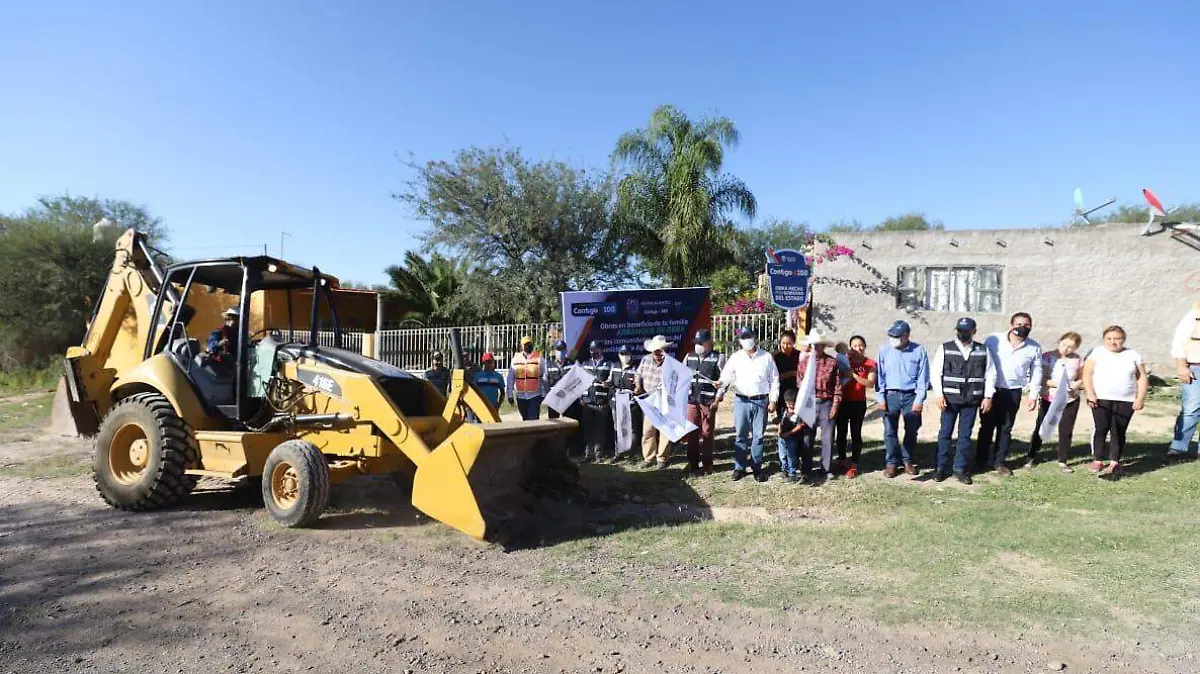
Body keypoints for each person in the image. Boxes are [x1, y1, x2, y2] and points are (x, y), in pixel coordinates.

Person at [930, 318, 995, 485]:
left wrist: (988, 396)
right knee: (945, 434)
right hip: (949, 399)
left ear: (974, 331)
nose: (963, 334)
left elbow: (990, 374)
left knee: (965, 436)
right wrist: (939, 395)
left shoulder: (983, 350)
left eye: (966, 331)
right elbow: (936, 373)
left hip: (972, 399)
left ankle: (960, 469)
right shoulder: (945, 348)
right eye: (960, 330)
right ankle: (940, 468)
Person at [977, 312, 1043, 476]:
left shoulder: (1034, 347)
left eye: (1026, 325)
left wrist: (1033, 395)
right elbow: (981, 362)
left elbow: (1037, 371)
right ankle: (980, 461)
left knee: (1006, 427)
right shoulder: (994, 340)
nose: (1023, 327)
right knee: (986, 426)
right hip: (991, 390)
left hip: (1013, 391)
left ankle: (999, 462)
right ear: (1011, 325)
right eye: (1019, 324)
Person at [1083, 326, 1148, 479]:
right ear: (1104, 340)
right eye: (1109, 339)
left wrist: (1140, 398)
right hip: (1101, 398)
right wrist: (1090, 393)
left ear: (1123, 340)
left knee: (1118, 431)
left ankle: (1115, 462)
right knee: (1101, 429)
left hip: (1126, 400)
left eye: (1117, 339)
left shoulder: (1133, 355)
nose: (1113, 342)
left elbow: (1142, 377)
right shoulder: (1097, 352)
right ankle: (1098, 459)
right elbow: (1087, 374)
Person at [717, 327, 780, 482]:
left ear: (755, 338)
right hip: (742, 401)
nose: (747, 340)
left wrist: (773, 400)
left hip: (761, 401)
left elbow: (774, 380)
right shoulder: (735, 357)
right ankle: (739, 468)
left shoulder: (766, 357)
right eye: (743, 337)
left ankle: (757, 467)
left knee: (758, 436)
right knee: (741, 436)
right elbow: (726, 376)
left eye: (749, 336)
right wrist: (720, 387)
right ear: (739, 341)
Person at [875, 320, 929, 478]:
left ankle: (907, 460)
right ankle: (891, 463)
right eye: (891, 336)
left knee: (911, 430)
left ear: (906, 336)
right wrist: (880, 397)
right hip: (890, 395)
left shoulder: (919, 351)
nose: (893, 339)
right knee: (889, 431)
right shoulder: (884, 350)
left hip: (911, 396)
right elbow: (880, 376)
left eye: (896, 336)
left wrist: (919, 399)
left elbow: (923, 378)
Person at [1028, 332, 1085, 472]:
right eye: (1064, 344)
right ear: (1059, 341)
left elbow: (1081, 378)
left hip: (1070, 400)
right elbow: (1042, 378)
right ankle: (1031, 456)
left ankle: (1062, 460)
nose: (1066, 349)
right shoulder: (1047, 357)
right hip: (1050, 398)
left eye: (1071, 347)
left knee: (1066, 430)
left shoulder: (1078, 360)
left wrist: (1076, 385)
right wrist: (1060, 384)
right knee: (1042, 428)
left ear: (1076, 348)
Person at [795, 329, 842, 481]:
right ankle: (806, 469)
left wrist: (835, 405)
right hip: (809, 403)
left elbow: (837, 386)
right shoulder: (803, 363)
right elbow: (799, 384)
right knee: (807, 437)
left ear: (823, 346)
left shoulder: (832, 362)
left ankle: (826, 469)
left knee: (827, 438)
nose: (816, 347)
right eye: (814, 344)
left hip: (826, 403)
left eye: (819, 344)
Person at [683, 329, 726, 475]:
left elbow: (724, 381)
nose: (698, 346)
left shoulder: (718, 358)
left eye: (701, 343)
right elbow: (682, 376)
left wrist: (718, 398)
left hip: (708, 401)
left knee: (707, 433)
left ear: (709, 343)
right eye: (696, 343)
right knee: (691, 432)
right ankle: (692, 463)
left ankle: (707, 464)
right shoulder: (689, 357)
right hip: (691, 400)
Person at [835, 335, 875, 479]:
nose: (858, 348)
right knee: (841, 433)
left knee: (855, 433)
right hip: (843, 401)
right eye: (855, 346)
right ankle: (841, 460)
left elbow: (870, 384)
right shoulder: (845, 360)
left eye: (861, 345)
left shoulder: (869, 363)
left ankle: (854, 465)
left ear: (865, 346)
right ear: (851, 347)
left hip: (858, 403)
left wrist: (854, 376)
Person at [635, 335, 674, 470]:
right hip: (649, 400)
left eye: (660, 351)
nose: (657, 354)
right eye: (655, 351)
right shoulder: (645, 360)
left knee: (664, 430)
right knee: (648, 431)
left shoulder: (671, 364)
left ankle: (662, 458)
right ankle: (648, 457)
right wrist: (638, 386)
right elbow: (638, 374)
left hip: (665, 401)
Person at [1167, 304, 1200, 461]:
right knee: (1191, 408)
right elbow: (1178, 342)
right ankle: (1178, 448)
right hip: (1196, 367)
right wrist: (1181, 366)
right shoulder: (1195, 314)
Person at [578, 340, 614, 463]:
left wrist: (607, 385)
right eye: (591, 350)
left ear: (601, 350)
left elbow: (612, 382)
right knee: (588, 429)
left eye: (595, 350)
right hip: (587, 402)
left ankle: (599, 454)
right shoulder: (585, 364)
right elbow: (580, 383)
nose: (593, 352)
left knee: (600, 430)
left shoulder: (608, 364)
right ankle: (588, 454)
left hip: (601, 402)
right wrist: (581, 398)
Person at [772, 329, 800, 473]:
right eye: (783, 343)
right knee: (782, 427)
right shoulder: (775, 357)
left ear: (794, 343)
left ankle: (795, 458)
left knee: (796, 426)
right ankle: (783, 462)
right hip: (781, 395)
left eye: (789, 344)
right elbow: (775, 377)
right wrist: (791, 373)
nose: (785, 346)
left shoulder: (799, 355)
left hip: (796, 395)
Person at [610, 344, 643, 461]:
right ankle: (618, 453)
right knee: (618, 428)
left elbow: (639, 385)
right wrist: (607, 384)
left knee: (632, 428)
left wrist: (637, 389)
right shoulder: (614, 366)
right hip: (616, 402)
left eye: (627, 354)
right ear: (619, 355)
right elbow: (610, 382)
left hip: (630, 403)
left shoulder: (636, 368)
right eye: (622, 354)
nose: (624, 357)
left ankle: (631, 454)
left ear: (631, 355)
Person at [505, 336, 543, 421]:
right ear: (522, 346)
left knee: (533, 420)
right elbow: (510, 378)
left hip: (535, 396)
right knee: (525, 419)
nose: (528, 346)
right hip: (521, 397)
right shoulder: (515, 360)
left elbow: (544, 375)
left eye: (529, 344)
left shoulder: (539, 358)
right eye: (526, 344)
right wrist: (510, 394)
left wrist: (545, 393)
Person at [777, 389, 803, 483]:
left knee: (791, 455)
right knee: (782, 454)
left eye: (792, 404)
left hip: (792, 437)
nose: (790, 406)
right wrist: (779, 430)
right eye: (788, 404)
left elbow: (799, 426)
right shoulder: (784, 411)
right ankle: (784, 469)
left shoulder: (798, 413)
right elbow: (780, 422)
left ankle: (792, 473)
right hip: (782, 437)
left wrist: (788, 433)